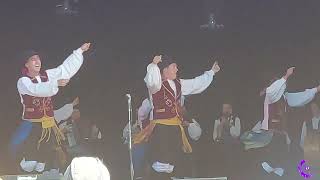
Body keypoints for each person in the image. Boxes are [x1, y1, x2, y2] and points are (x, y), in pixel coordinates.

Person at [9, 43, 91, 173]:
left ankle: (40, 170)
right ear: (26, 64)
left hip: (47, 124)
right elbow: (37, 90)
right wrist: (55, 83)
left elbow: (64, 70)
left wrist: (79, 52)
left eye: (38, 58)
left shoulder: (47, 76)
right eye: (33, 59)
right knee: (30, 154)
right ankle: (22, 169)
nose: (37, 61)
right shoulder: (23, 81)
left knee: (44, 154)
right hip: (31, 124)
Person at [135, 55, 220, 179]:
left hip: (175, 128)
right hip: (162, 128)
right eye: (174, 67)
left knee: (171, 162)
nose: (177, 69)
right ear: (165, 70)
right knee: (161, 163)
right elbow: (151, 81)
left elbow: (195, 84)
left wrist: (211, 72)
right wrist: (153, 65)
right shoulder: (157, 85)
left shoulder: (179, 83)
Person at [241, 67, 320, 178]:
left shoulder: (285, 97)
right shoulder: (270, 95)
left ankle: (297, 174)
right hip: (270, 135)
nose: (282, 86)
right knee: (268, 162)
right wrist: (286, 76)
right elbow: (272, 90)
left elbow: (301, 96)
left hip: (280, 136)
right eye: (279, 84)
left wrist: (316, 89)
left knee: (283, 163)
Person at [212, 102, 241, 178]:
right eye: (224, 108)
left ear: (231, 110)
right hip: (221, 150)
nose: (226, 110)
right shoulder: (217, 121)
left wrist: (228, 125)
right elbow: (215, 137)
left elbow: (236, 134)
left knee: (233, 171)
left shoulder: (236, 119)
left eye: (228, 108)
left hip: (233, 150)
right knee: (222, 170)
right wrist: (221, 126)